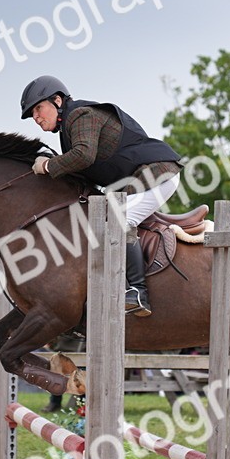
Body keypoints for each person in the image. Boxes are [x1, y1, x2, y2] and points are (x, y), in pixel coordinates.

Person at [20, 75, 181, 316]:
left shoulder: (80, 114)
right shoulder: (67, 131)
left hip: (158, 173)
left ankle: (138, 291)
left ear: (57, 100)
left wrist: (47, 166)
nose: (36, 117)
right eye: (32, 114)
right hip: (135, 181)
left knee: (118, 223)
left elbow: (84, 156)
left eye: (38, 109)